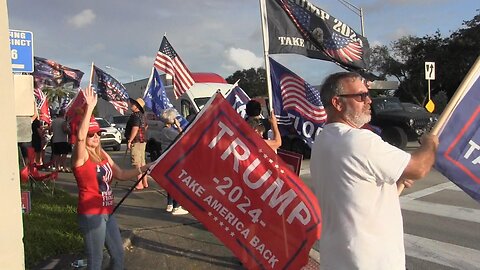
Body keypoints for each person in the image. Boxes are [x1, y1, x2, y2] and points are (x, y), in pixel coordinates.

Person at [310, 72, 438, 270]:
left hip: (338, 259)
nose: (369, 100)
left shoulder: (322, 141)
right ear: (337, 103)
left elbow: (356, 196)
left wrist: (395, 184)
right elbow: (419, 168)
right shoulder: (359, 140)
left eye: (367, 94)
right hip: (371, 262)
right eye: (360, 96)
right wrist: (430, 144)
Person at [71, 86, 151, 270]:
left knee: (118, 254)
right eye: (92, 134)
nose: (96, 137)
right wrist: (90, 108)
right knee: (96, 261)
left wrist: (145, 167)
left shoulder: (102, 154)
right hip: (91, 214)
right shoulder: (80, 156)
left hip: (108, 212)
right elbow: (81, 138)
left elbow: (121, 174)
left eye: (98, 133)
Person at [158, 108, 189, 215]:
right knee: (177, 183)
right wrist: (178, 126)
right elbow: (183, 137)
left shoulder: (164, 130)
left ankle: (170, 204)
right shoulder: (169, 131)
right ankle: (176, 206)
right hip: (174, 159)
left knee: (171, 182)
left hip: (167, 158)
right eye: (174, 117)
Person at [125, 97, 148, 190]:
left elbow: (135, 128)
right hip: (142, 141)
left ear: (137, 106)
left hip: (136, 141)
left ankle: (139, 184)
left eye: (134, 104)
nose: (132, 105)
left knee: (136, 163)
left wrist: (130, 140)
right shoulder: (142, 115)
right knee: (142, 163)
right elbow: (146, 126)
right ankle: (145, 182)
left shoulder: (135, 116)